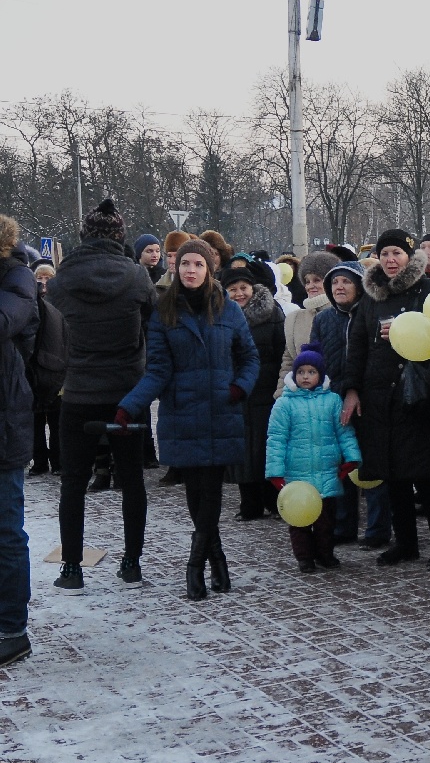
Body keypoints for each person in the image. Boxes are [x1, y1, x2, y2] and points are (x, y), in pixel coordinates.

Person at [116, 239, 260, 601]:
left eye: (197, 264)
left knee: (210, 491)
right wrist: (129, 406)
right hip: (182, 413)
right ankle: (218, 561)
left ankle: (195, 566)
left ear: (209, 269)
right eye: (184, 264)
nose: (190, 270)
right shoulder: (164, 311)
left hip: (221, 412)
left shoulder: (229, 309)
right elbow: (157, 370)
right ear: (176, 268)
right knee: (195, 493)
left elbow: (250, 358)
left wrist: (239, 388)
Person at [45, 199, 157, 591]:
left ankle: (71, 569)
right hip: (127, 390)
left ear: (83, 236)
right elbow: (153, 320)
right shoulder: (137, 276)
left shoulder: (60, 280)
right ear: (120, 236)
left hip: (78, 390)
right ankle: (132, 563)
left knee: (73, 482)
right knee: (132, 478)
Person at [340, 229, 430, 570]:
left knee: (427, 477)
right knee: (392, 475)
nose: (391, 260)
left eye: (397, 253)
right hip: (380, 398)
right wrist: (352, 389)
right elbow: (357, 346)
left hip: (419, 397)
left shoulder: (429, 290)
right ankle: (405, 543)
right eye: (385, 254)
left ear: (409, 256)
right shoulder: (371, 296)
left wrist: (409, 330)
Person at [315, 261, 391, 550]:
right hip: (334, 400)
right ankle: (343, 525)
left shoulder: (372, 314)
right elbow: (315, 358)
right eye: (335, 282)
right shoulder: (323, 319)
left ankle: (378, 528)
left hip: (369, 399)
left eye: (346, 281)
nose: (339, 287)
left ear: (360, 286)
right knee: (341, 466)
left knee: (372, 465)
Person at [266, 344, 360, 572]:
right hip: (297, 476)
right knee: (299, 521)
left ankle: (325, 554)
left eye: (311, 372)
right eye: (301, 372)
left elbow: (344, 432)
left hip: (327, 472)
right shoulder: (284, 404)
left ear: (321, 374)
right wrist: (275, 472)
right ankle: (304, 557)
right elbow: (276, 440)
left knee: (326, 521)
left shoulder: (333, 401)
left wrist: (352, 458)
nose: (305, 377)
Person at [0, 214, 38, 667]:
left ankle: (12, 628)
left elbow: (5, 320)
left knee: (6, 531)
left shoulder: (17, 276)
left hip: (5, 423)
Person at [223, 268, 285, 522]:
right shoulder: (221, 315)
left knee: (265, 447)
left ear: (253, 288)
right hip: (236, 390)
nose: (239, 294)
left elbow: (282, 351)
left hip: (265, 389)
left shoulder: (272, 313)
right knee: (242, 449)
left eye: (244, 288)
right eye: (233, 289)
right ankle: (249, 503)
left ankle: (274, 500)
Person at [275, 250, 339, 398]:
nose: (311, 286)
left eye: (317, 280)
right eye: (307, 281)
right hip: (301, 399)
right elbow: (288, 363)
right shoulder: (295, 318)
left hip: (335, 397)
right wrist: (281, 396)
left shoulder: (343, 315)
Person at [27, 262, 62, 477]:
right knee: (36, 420)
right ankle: (39, 461)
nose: (43, 283)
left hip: (55, 365)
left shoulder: (59, 303)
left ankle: (57, 460)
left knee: (56, 418)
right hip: (34, 367)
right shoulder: (29, 303)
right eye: (39, 279)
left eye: (48, 278)